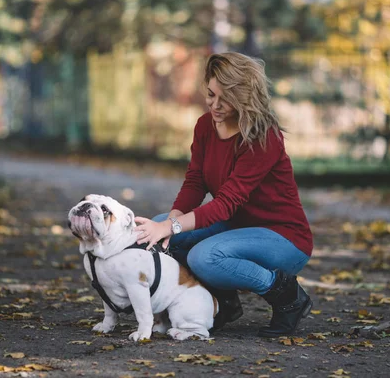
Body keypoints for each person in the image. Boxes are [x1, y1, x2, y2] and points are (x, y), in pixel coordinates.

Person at [134, 52, 313, 337]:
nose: (215, 105)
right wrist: (171, 221)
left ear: (243, 97)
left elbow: (226, 204)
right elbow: (195, 182)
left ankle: (288, 297)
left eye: (225, 99)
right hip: (238, 226)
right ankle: (221, 304)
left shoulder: (263, 137)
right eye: (210, 94)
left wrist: (171, 226)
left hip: (283, 237)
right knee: (162, 230)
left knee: (205, 257)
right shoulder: (206, 126)